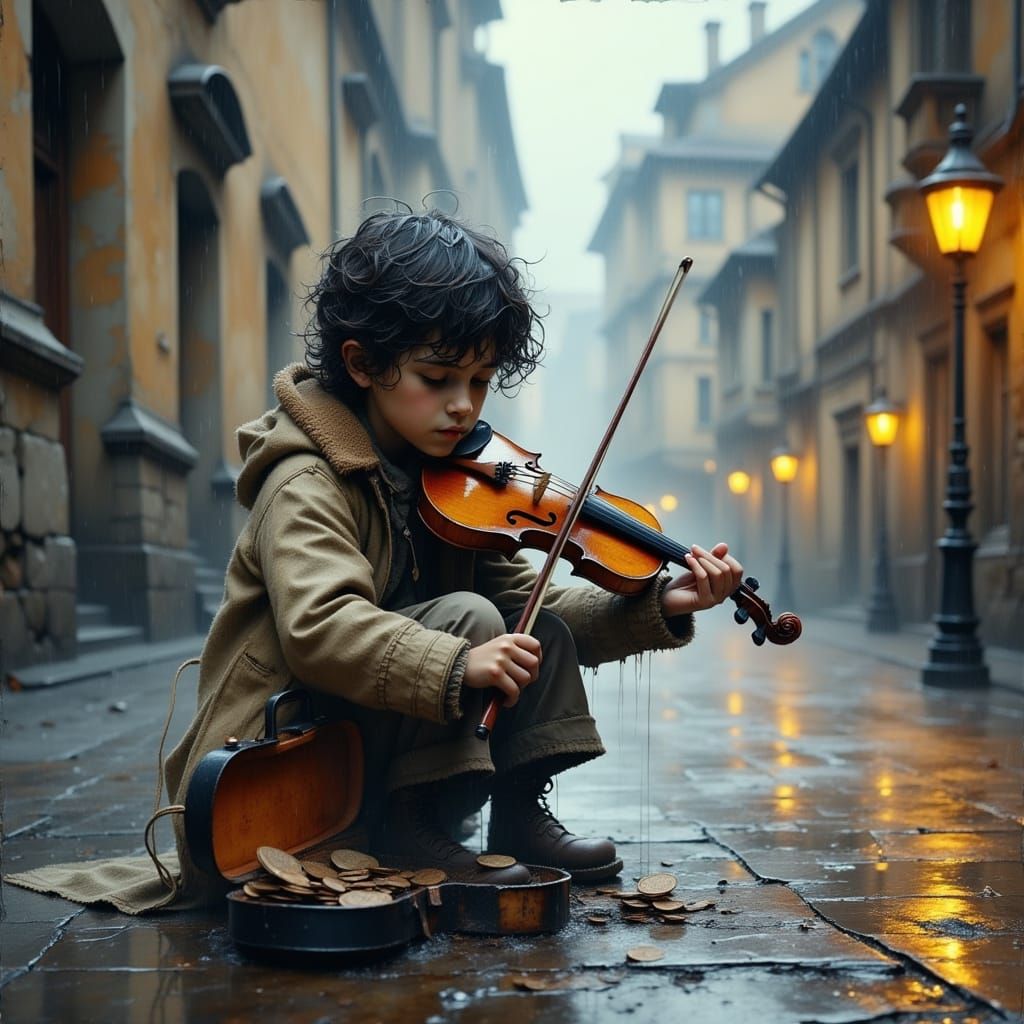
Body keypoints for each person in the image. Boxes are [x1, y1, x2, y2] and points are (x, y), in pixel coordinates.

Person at [164, 209, 742, 901]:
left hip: (369, 748)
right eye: (437, 378)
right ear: (362, 363)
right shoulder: (305, 480)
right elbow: (320, 627)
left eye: (479, 380)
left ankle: (518, 815)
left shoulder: (448, 484)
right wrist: (461, 660)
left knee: (535, 629)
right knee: (471, 619)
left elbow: (541, 604)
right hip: (283, 760)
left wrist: (658, 602)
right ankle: (408, 827)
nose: (463, 407)